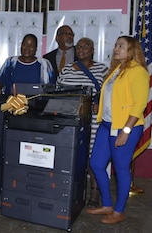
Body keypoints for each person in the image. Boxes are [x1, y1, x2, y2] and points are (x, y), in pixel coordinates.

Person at [86, 36, 149, 224]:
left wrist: (126, 131)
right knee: (96, 164)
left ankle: (119, 211)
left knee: (121, 168)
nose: (116, 48)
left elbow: (139, 105)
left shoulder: (138, 72)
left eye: (121, 46)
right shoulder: (117, 70)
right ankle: (107, 205)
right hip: (107, 125)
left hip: (125, 127)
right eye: (116, 45)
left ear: (132, 50)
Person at [57, 37, 109, 209]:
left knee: (94, 159)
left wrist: (100, 103)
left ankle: (94, 195)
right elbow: (58, 92)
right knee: (71, 156)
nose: (81, 49)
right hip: (71, 120)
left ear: (92, 49)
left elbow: (109, 93)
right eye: (79, 47)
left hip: (93, 121)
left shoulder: (102, 69)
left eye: (86, 46)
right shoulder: (66, 69)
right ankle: (69, 192)